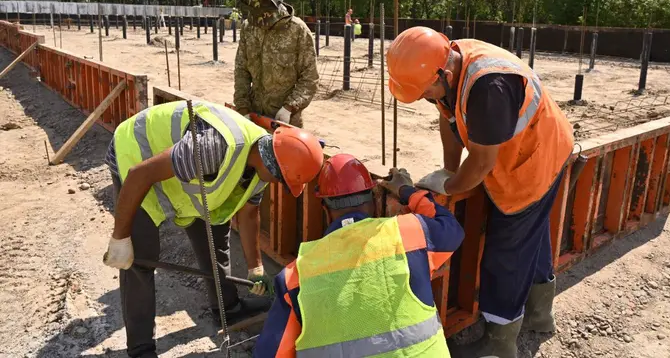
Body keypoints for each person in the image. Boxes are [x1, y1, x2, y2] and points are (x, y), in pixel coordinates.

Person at [387, 27, 574, 358]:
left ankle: (499, 342)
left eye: (426, 91)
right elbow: (448, 117)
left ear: (443, 72)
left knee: (507, 251)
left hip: (535, 158)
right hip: (536, 145)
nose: (426, 98)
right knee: (533, 233)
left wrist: (451, 185)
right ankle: (539, 315)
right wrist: (449, 168)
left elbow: (484, 161)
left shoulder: (488, 87)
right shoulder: (448, 63)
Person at [102, 99, 324, 358]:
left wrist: (256, 269)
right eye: (282, 181)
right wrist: (120, 237)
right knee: (140, 257)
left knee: (215, 236)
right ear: (273, 166)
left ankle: (227, 308)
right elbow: (140, 174)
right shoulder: (213, 148)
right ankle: (141, 349)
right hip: (136, 154)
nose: (279, 185)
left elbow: (249, 213)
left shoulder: (264, 160)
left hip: (181, 174)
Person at [253, 154, 465, 357]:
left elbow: (271, 353)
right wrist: (406, 190)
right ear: (373, 199)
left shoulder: (295, 276)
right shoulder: (409, 234)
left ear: (325, 208)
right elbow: (451, 228)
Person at [234, 0, 319, 128]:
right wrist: (242, 107)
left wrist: (289, 107)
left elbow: (310, 78)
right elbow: (241, 70)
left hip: (286, 120)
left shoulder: (297, 31)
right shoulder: (249, 28)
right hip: (253, 117)